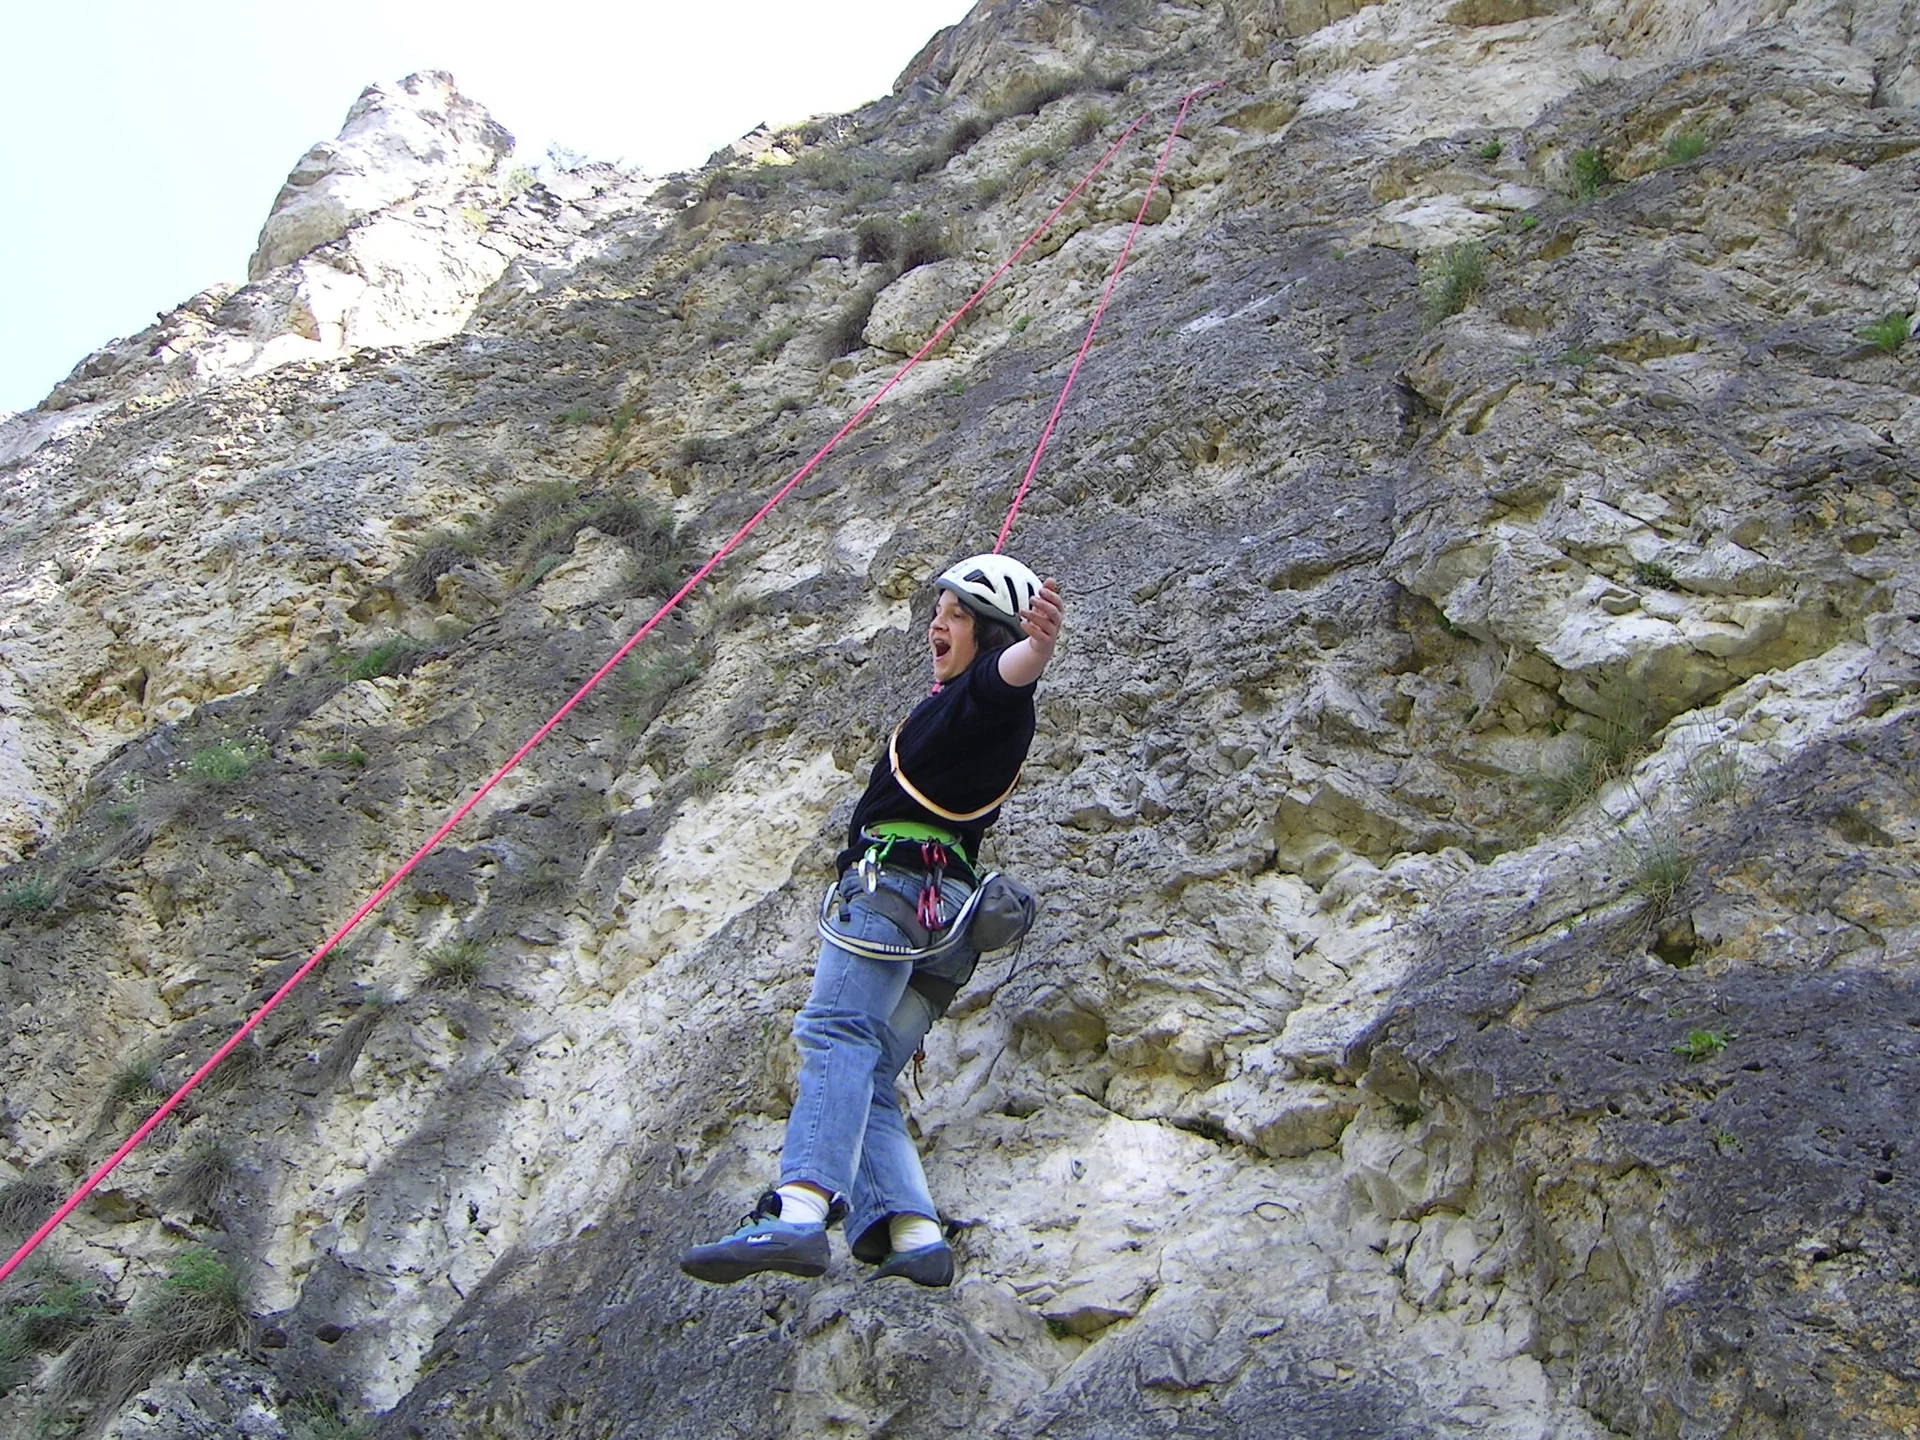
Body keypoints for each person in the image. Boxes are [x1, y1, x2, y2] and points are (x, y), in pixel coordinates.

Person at [680, 554, 1065, 1288]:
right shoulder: (964, 712)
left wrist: (1036, 651)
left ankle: (798, 1210)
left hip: (893, 895)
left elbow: (1006, 677)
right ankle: (913, 1231)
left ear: (990, 636)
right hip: (946, 924)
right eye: (937, 613)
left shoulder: (991, 695)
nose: (936, 626)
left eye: (955, 616)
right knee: (872, 1068)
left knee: (836, 1033)